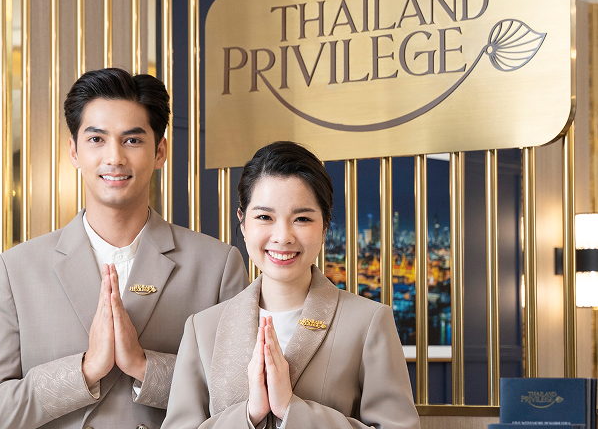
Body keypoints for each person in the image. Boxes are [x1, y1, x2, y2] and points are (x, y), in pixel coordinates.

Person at [0, 68, 248, 429]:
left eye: (132, 140)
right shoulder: (17, 269)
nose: (114, 158)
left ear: (160, 151)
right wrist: (83, 371)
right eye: (97, 140)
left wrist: (145, 366)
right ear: (74, 151)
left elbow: (241, 398)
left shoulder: (217, 266)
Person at [162, 141, 420, 429]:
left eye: (302, 218)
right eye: (264, 217)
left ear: (324, 226)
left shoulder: (368, 322)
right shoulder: (203, 328)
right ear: (243, 223)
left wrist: (292, 410)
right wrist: (249, 415)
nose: (283, 236)